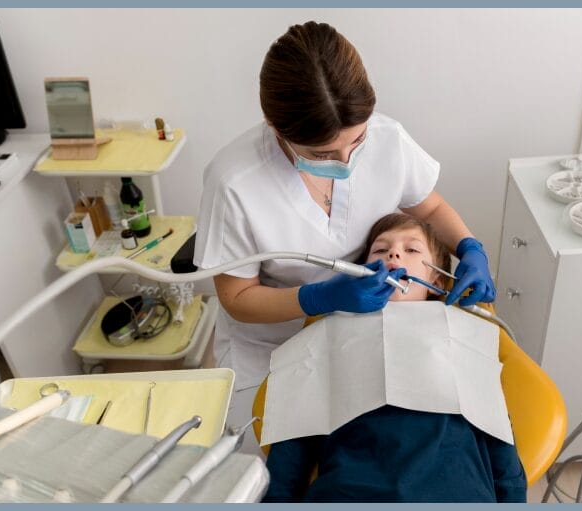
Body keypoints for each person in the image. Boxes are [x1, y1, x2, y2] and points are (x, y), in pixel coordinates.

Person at [193, 21, 496, 454]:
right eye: (321, 154)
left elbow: (428, 207)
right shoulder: (234, 181)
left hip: (365, 335)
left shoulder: (388, 138)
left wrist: (470, 247)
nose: (346, 161)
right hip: (274, 349)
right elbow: (237, 298)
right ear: (275, 126)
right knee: (268, 466)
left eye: (357, 141)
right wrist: (318, 298)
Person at [262, 213, 526, 502]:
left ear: (436, 278)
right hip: (350, 488)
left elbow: (497, 430)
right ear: (360, 271)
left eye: (411, 250)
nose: (394, 253)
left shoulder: (461, 331)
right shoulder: (328, 331)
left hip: (453, 486)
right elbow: (293, 438)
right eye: (380, 249)